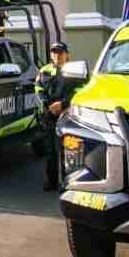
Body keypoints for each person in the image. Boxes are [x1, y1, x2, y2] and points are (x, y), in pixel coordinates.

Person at [38, 43, 80, 191]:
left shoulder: (74, 70)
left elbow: (79, 90)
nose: (57, 55)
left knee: (69, 150)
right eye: (54, 53)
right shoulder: (44, 70)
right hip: (49, 115)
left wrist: (62, 104)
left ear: (67, 54)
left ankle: (68, 182)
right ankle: (52, 181)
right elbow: (38, 89)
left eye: (60, 52)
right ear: (51, 55)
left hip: (68, 114)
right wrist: (48, 104)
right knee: (50, 151)